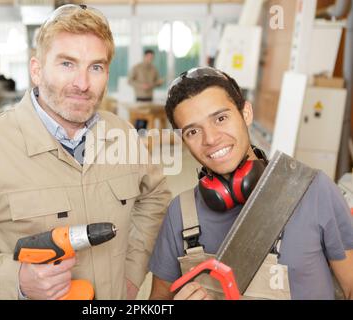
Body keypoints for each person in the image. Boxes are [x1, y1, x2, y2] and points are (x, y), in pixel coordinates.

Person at [0, 4, 171, 300]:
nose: (82, 83)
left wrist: (131, 273)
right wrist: (16, 280)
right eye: (66, 64)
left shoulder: (123, 135)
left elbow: (155, 197)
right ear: (36, 70)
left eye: (95, 67)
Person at [148, 67, 353, 300]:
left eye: (221, 118)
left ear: (246, 113)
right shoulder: (181, 214)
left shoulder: (312, 190)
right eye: (193, 131)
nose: (211, 139)